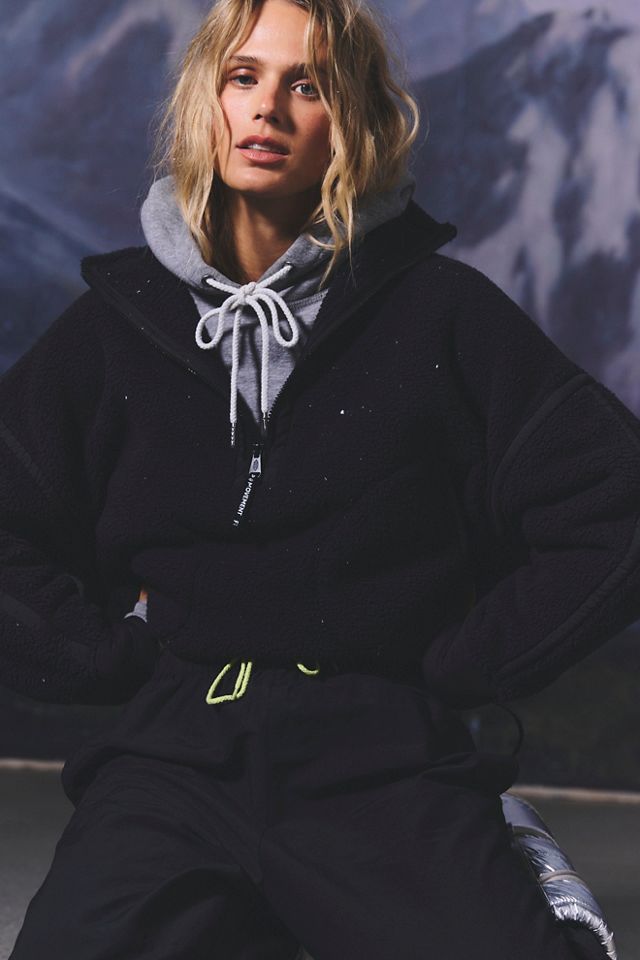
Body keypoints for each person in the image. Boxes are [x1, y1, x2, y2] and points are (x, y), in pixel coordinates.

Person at [4, 0, 640, 956]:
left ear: (354, 123)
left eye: (308, 85)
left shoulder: (441, 313)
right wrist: (108, 660)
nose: (268, 108)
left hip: (376, 748)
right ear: (207, 101)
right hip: (176, 752)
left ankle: (507, 844)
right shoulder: (118, 324)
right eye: (244, 77)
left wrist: (459, 669)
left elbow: (616, 501)